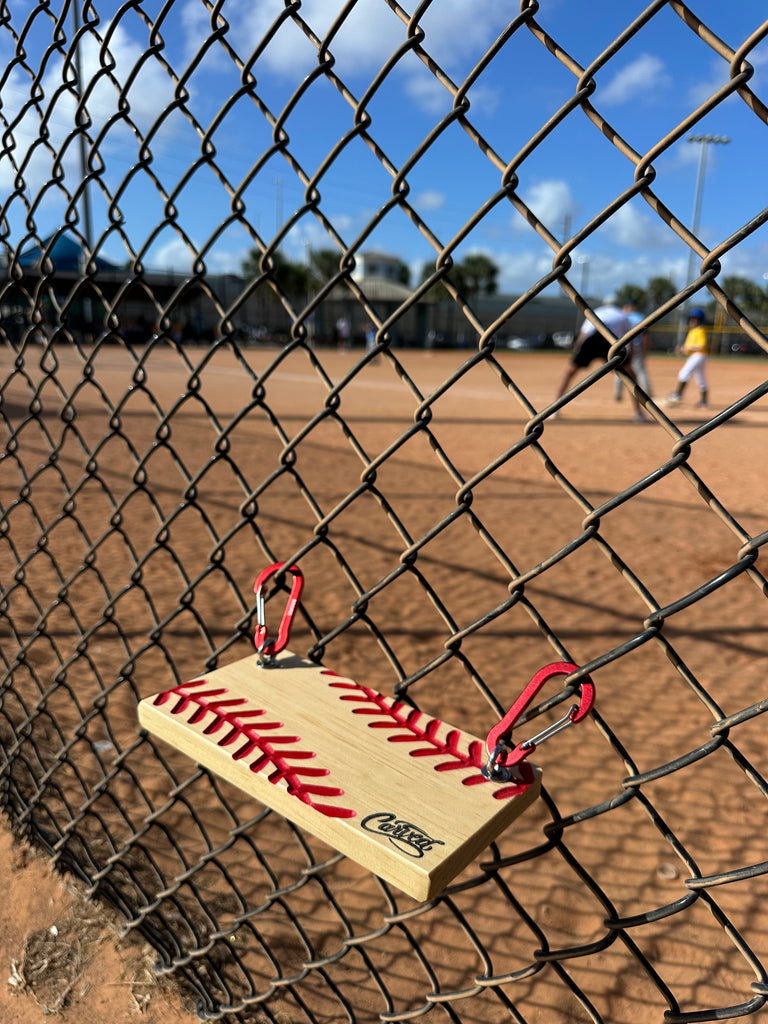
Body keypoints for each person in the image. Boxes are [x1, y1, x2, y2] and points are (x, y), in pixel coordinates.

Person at [555, 295, 648, 421]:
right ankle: (639, 413)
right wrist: (629, 357)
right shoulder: (622, 315)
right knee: (630, 377)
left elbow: (583, 335)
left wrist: (576, 353)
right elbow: (629, 337)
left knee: (570, 372)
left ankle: (554, 410)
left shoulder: (596, 312)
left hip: (591, 341)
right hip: (609, 342)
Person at [665, 307, 709, 408]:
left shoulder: (700, 331)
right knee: (700, 378)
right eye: (691, 318)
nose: (692, 321)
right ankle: (704, 401)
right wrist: (683, 349)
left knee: (684, 373)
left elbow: (701, 346)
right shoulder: (693, 331)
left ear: (700, 320)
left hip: (699, 355)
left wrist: (686, 348)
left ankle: (678, 395)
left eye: (695, 319)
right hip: (697, 356)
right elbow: (689, 347)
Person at [614, 300, 652, 401]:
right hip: (636, 345)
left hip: (622, 345)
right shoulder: (640, 317)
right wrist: (645, 351)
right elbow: (644, 336)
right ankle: (647, 393)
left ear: (628, 306)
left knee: (620, 367)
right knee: (640, 370)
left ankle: (618, 394)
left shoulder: (622, 316)